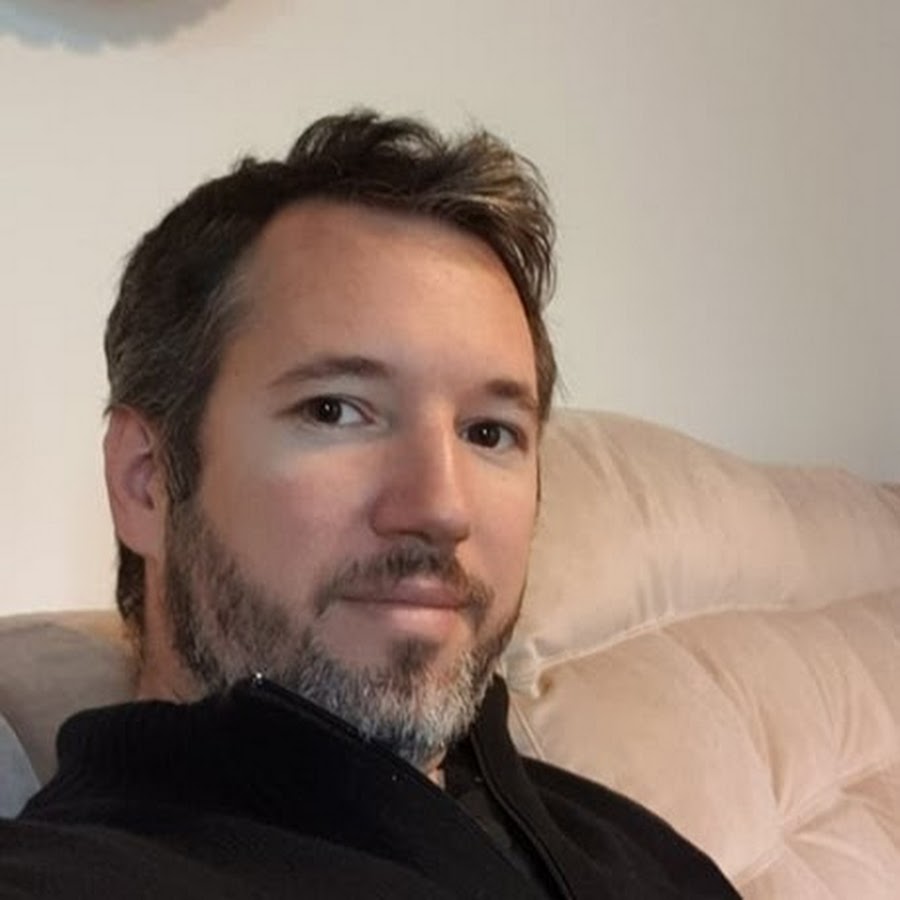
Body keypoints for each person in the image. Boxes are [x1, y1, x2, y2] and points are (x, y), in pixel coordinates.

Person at [1, 110, 740, 899]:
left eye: (489, 431)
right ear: (146, 480)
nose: (441, 508)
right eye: (335, 411)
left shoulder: (632, 844)